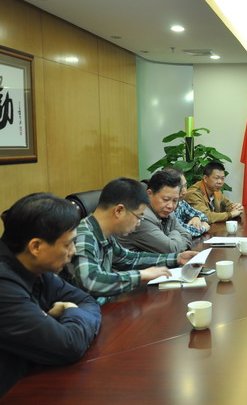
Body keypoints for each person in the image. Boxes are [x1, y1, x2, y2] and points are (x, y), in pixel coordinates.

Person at [0, 193, 101, 396]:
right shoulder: (4, 285)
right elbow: (69, 346)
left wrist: (63, 316)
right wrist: (70, 310)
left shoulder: (35, 265)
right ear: (36, 246)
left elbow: (87, 300)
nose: (73, 251)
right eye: (68, 244)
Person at [62, 178, 197, 305]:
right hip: (88, 312)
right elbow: (90, 281)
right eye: (138, 216)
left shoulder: (104, 234)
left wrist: (177, 258)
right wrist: (141, 275)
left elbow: (130, 259)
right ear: (119, 210)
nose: (138, 223)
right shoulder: (84, 235)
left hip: (106, 306)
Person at [116, 170, 192, 253]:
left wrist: (173, 241)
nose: (170, 206)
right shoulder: (140, 217)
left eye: (175, 200)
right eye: (165, 199)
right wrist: (175, 232)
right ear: (149, 194)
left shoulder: (167, 210)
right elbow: (171, 250)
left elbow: (187, 235)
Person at [164, 167, 210, 237]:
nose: (185, 191)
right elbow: (182, 230)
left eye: (185, 186)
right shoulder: (167, 207)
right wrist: (203, 228)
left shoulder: (181, 202)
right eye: (180, 187)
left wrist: (196, 217)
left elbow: (203, 216)